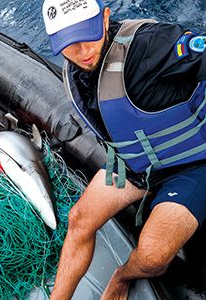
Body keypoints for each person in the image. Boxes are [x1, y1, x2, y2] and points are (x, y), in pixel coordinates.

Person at [42, 0, 206, 299]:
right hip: (136, 167)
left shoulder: (151, 45)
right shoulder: (77, 73)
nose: (82, 52)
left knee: (153, 256)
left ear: (105, 18)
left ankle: (122, 276)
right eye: (69, 44)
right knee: (79, 220)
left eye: (87, 35)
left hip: (192, 165)